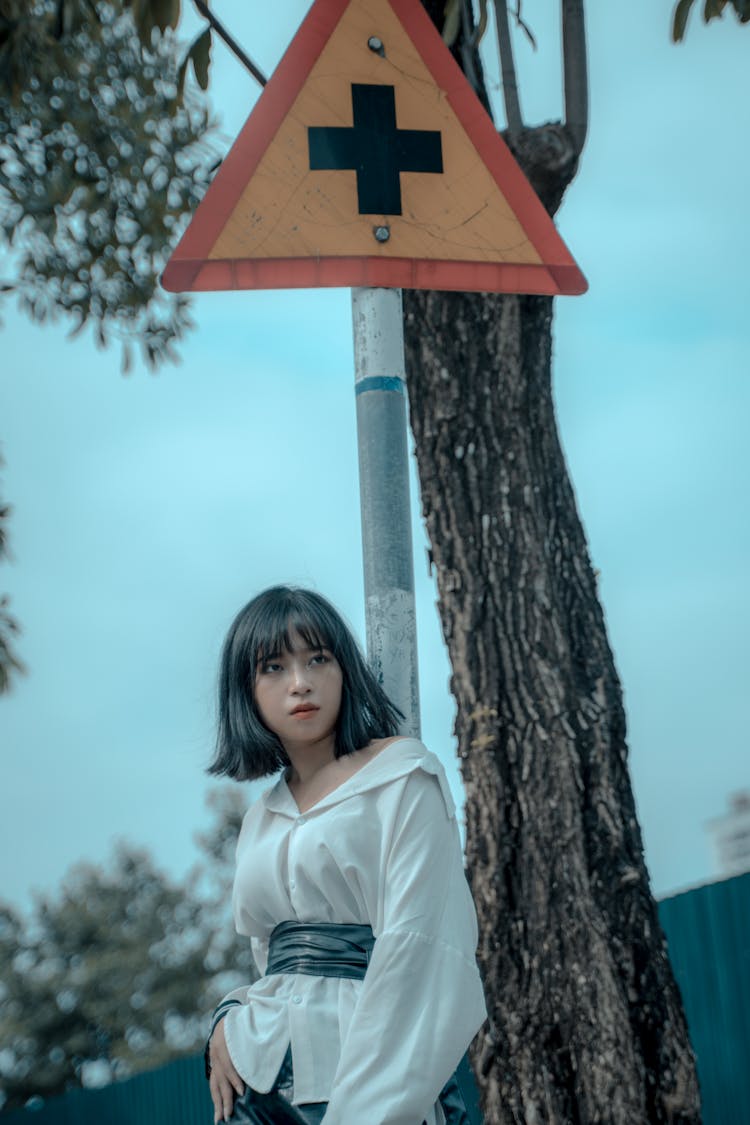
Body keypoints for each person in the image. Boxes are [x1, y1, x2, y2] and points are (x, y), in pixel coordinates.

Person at [204, 585, 487, 1125]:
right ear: (246, 690)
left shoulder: (403, 777)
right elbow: (274, 961)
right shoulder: (261, 818)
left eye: (317, 658)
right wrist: (231, 1014)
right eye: (273, 667)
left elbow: (421, 951)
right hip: (256, 1080)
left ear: (344, 668)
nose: (300, 683)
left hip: (363, 1076)